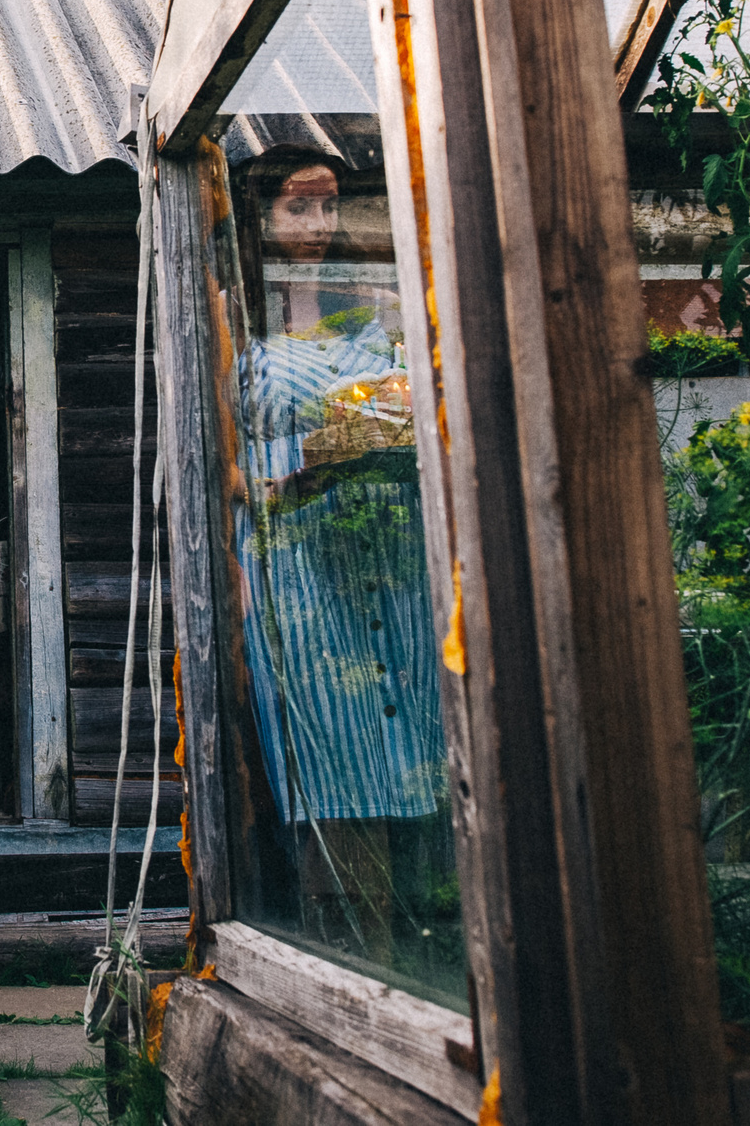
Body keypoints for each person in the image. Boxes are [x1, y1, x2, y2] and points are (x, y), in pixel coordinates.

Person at [234, 158, 444, 965]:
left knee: (407, 739)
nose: (317, 225)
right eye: (298, 207)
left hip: (386, 547)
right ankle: (344, 947)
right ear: (264, 215)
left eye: (327, 206)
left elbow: (402, 412)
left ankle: (427, 937)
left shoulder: (379, 308)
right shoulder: (236, 308)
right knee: (327, 748)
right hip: (297, 555)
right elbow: (223, 450)